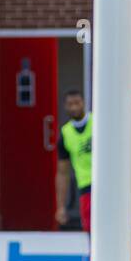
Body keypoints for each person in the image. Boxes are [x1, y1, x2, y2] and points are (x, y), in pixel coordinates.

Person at [55, 90, 92, 232]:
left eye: (77, 103)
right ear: (65, 107)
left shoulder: (98, 123)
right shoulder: (66, 133)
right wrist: (61, 207)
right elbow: (62, 172)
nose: (74, 107)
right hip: (85, 186)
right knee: (89, 229)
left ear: (83, 103)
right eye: (70, 104)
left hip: (106, 184)